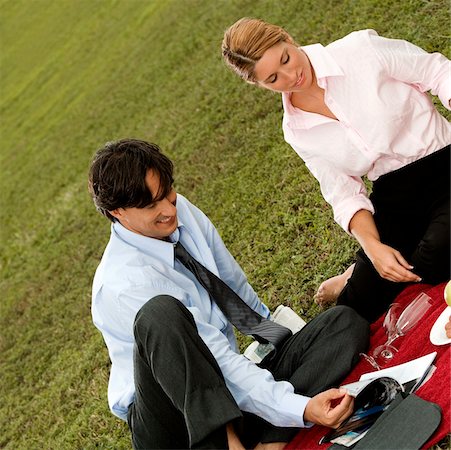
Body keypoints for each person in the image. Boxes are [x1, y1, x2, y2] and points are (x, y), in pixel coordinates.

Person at [89, 138, 369, 449]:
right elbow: (212, 359)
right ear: (118, 212)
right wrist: (299, 407)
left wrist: (280, 343)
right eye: (152, 204)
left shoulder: (178, 210)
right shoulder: (125, 284)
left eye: (168, 192)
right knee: (162, 313)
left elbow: (232, 286)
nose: (169, 209)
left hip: (224, 388)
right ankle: (237, 440)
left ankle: (271, 439)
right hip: (177, 423)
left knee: (342, 324)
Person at [222, 18, 451, 323]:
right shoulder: (296, 130)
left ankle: (384, 260)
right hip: (395, 196)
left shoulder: (360, 50)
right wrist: (372, 248)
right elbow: (343, 193)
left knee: (437, 255)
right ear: (258, 84)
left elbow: (436, 71)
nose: (292, 76)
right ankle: (355, 275)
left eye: (286, 58)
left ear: (287, 38)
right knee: (357, 306)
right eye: (274, 78)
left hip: (443, 162)